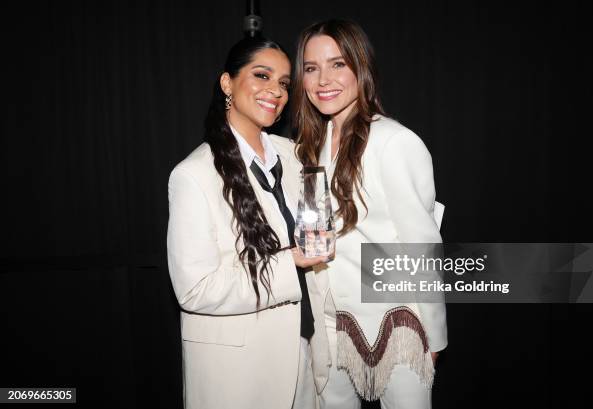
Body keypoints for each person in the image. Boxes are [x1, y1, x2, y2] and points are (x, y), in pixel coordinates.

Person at [292, 19, 447, 409]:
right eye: (311, 68)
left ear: (361, 67)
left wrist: (435, 336)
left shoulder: (395, 141)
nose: (323, 79)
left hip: (396, 325)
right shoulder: (310, 147)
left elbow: (423, 247)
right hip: (330, 327)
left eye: (338, 64)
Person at [167, 36, 325, 409]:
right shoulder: (193, 175)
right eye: (262, 76)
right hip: (238, 373)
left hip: (304, 359)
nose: (276, 91)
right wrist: (292, 263)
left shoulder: (295, 156)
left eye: (284, 83)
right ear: (227, 83)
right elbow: (195, 290)